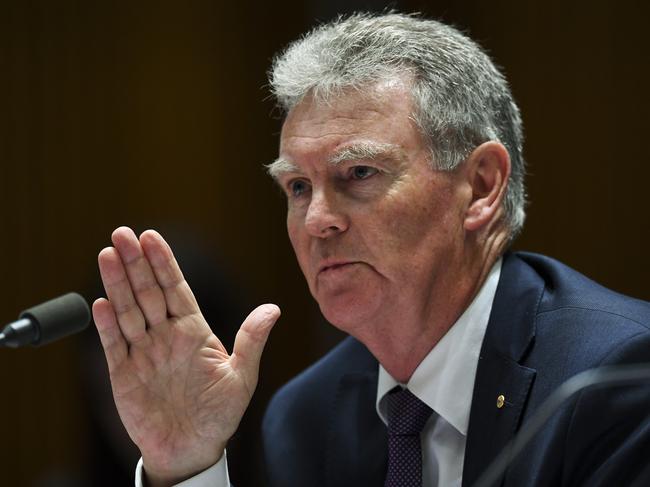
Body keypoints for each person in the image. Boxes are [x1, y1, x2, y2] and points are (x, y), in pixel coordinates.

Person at [92, 12, 650, 487]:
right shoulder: (307, 418)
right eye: (298, 187)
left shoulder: (613, 378)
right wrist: (188, 465)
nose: (317, 221)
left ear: (480, 186)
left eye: (359, 173)